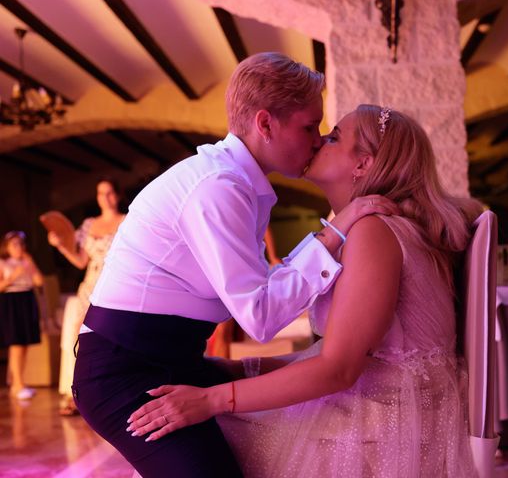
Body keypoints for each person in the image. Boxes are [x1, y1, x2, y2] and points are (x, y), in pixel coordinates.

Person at [72, 53, 397, 477]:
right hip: (124, 372)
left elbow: (264, 286)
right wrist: (336, 231)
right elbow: (260, 317)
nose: (317, 140)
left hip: (171, 359)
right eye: (308, 126)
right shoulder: (218, 188)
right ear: (265, 124)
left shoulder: (238, 183)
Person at [127, 105, 482, 477]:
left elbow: (338, 369)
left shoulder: (375, 231)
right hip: (391, 407)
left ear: (362, 164)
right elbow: (348, 357)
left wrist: (210, 398)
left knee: (190, 437)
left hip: (386, 430)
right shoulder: (378, 227)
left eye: (332, 138)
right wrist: (235, 369)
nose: (317, 143)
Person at [47, 178, 126, 416]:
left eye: (110, 192)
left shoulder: (128, 221)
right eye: (101, 193)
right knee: (78, 339)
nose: (106, 197)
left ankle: (111, 391)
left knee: (111, 338)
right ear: (97, 197)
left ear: (117, 195)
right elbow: (81, 260)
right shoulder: (89, 224)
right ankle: (77, 393)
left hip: (116, 284)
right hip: (90, 285)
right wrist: (61, 245)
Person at [0, 231, 43, 400]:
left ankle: (19, 382)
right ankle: (17, 384)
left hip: (26, 299)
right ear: (7, 247)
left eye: (21, 244)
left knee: (24, 345)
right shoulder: (3, 263)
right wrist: (13, 277)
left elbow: (39, 281)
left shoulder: (27, 262)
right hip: (11, 301)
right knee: (16, 344)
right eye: (14, 244)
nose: (19, 247)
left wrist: (30, 262)